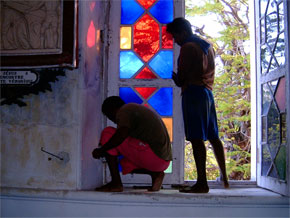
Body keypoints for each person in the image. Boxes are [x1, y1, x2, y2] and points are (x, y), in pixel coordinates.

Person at [166, 17, 229, 193]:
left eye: (175, 36)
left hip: (193, 93)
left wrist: (175, 78)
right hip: (207, 93)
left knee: (196, 138)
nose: (175, 41)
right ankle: (225, 177)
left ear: (183, 32)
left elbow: (182, 79)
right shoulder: (207, 46)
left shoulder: (187, 48)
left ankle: (202, 183)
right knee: (213, 136)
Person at [92, 96, 172, 192]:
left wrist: (102, 150)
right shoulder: (133, 110)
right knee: (125, 164)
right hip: (162, 160)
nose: (113, 120)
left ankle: (116, 183)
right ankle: (155, 174)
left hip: (154, 156)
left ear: (112, 110)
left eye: (109, 116)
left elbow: (121, 135)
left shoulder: (124, 111)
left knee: (108, 133)